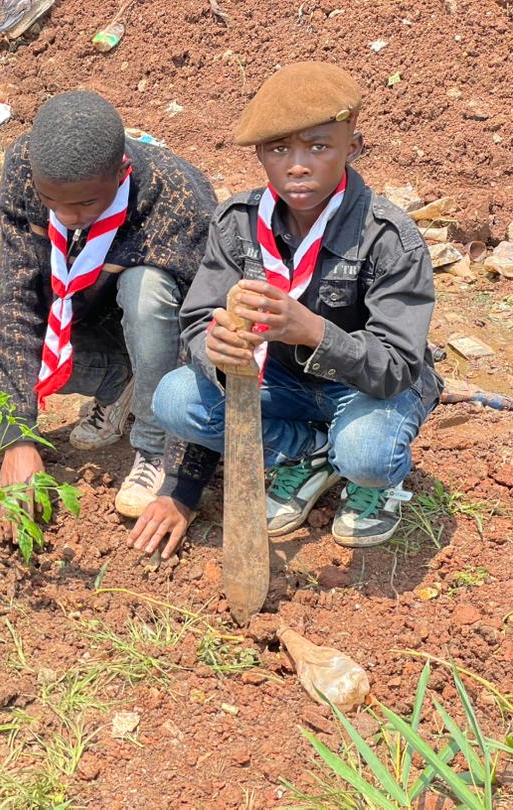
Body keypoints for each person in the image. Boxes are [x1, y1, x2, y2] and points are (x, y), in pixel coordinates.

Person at [146, 62, 441, 556]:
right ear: (260, 154)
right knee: (176, 399)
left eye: (319, 146)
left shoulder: (389, 238)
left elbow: (398, 366)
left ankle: (371, 483)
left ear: (353, 146)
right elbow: (198, 319)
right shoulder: (237, 222)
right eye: (279, 149)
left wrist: (313, 331)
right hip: (281, 385)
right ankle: (309, 454)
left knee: (367, 453)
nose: (297, 165)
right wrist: (213, 346)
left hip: (368, 390)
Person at [0, 90, 217, 523]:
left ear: (121, 172)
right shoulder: (24, 166)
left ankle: (152, 445)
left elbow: (198, 334)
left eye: (84, 204)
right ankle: (118, 385)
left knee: (146, 288)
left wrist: (181, 476)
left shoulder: (180, 202)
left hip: (158, 334)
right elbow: (17, 299)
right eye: (50, 201)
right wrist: (17, 435)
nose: (66, 215)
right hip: (84, 319)